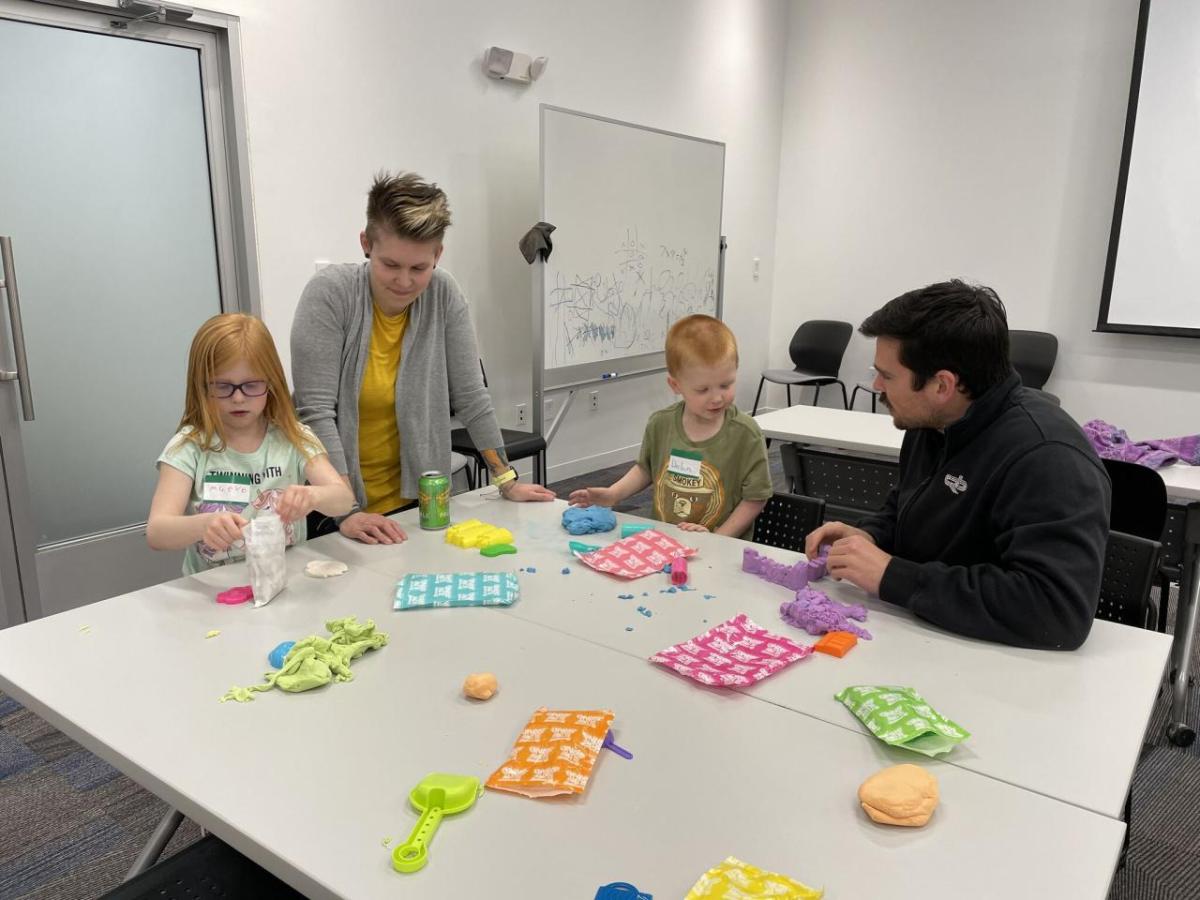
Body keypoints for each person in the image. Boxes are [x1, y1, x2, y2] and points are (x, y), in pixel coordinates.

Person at [805, 280, 1111, 650]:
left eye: (887, 375)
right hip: (926, 636)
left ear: (942, 385)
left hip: (1002, 669)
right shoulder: (933, 420)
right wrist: (869, 536)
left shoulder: (1048, 458)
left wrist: (892, 576)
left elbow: (1056, 610)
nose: (876, 386)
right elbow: (906, 504)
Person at [291, 172, 553, 546]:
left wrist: (505, 479)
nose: (404, 282)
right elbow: (315, 412)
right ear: (366, 244)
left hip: (419, 505)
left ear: (437, 255)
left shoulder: (444, 293)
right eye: (390, 265)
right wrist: (344, 511)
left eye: (419, 268)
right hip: (337, 511)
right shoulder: (330, 295)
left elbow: (471, 397)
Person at [148, 314, 355, 574]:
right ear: (201, 387)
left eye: (251, 385)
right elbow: (157, 531)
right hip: (216, 593)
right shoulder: (189, 447)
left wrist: (315, 496)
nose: (238, 398)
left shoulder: (294, 437)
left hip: (283, 581)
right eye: (222, 386)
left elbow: (344, 500)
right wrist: (204, 525)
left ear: (271, 383)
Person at [568, 314, 772, 538]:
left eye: (726, 384)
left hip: (720, 551)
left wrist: (719, 538)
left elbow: (755, 498)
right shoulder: (661, 424)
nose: (716, 398)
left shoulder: (746, 434)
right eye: (702, 390)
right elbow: (646, 469)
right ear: (676, 385)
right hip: (666, 543)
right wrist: (613, 494)